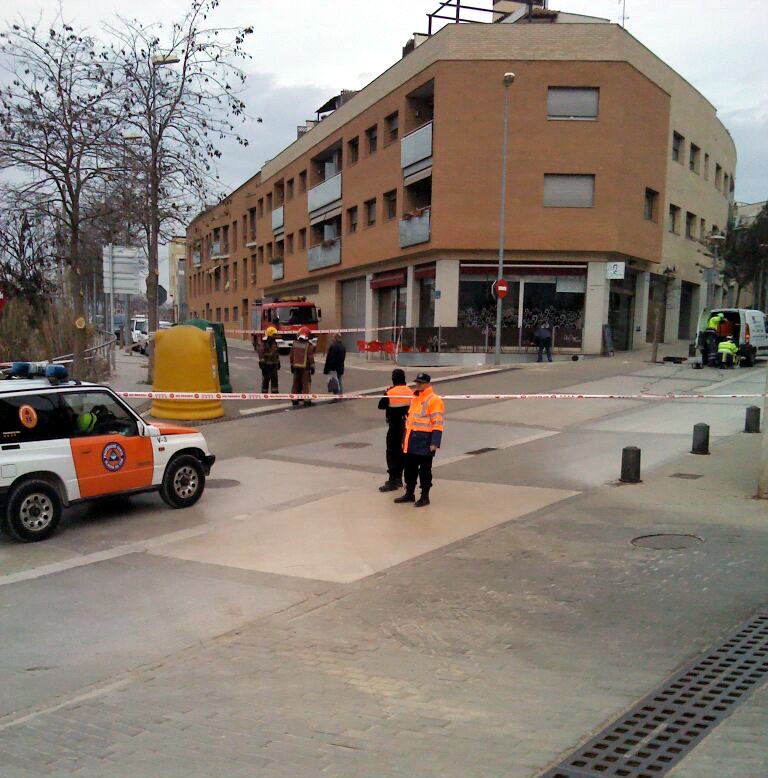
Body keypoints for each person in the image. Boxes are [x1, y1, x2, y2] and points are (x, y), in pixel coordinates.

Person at [394, 373, 444, 508]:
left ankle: (425, 496)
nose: (418, 385)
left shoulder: (434, 400)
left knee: (425, 471)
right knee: (409, 469)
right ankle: (409, 493)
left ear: (428, 384)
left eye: (421, 383)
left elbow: (438, 422)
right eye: (417, 382)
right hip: (411, 439)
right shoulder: (415, 397)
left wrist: (435, 442)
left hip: (425, 441)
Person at [377, 369, 414, 492]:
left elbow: (381, 405)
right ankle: (399, 478)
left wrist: (386, 392)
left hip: (394, 427)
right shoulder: (410, 391)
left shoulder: (390, 392)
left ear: (393, 378)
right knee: (402, 453)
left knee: (392, 453)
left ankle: (393, 479)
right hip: (406, 427)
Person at [290, 327, 315, 406]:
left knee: (296, 384)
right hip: (305, 369)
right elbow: (310, 357)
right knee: (306, 384)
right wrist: (312, 366)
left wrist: (291, 365)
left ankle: (294, 399)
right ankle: (306, 400)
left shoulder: (294, 344)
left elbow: (291, 356)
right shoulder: (308, 346)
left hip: (296, 368)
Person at [258, 326, 281, 393]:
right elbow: (261, 352)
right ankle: (264, 393)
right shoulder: (264, 343)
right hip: (266, 365)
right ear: (270, 334)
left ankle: (274, 393)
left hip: (274, 364)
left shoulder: (274, 343)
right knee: (266, 379)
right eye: (274, 335)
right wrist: (262, 362)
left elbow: (276, 353)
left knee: (275, 379)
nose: (275, 336)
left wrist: (278, 362)